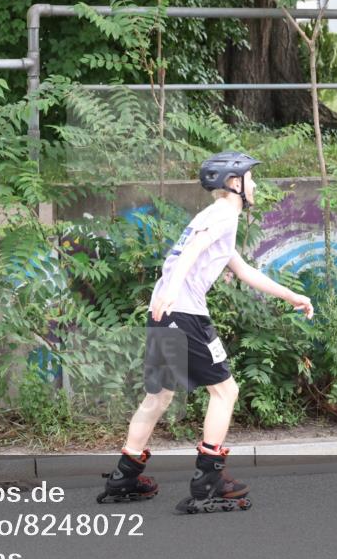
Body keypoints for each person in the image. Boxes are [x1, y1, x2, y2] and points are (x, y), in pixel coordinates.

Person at [96, 151, 314, 513]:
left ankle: (124, 476)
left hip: (164, 314)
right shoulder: (224, 214)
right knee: (225, 391)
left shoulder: (213, 216)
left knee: (158, 397)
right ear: (234, 183)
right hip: (184, 314)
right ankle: (208, 480)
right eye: (250, 178)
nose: (255, 185)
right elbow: (192, 252)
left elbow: (243, 270)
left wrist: (292, 296)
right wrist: (171, 290)